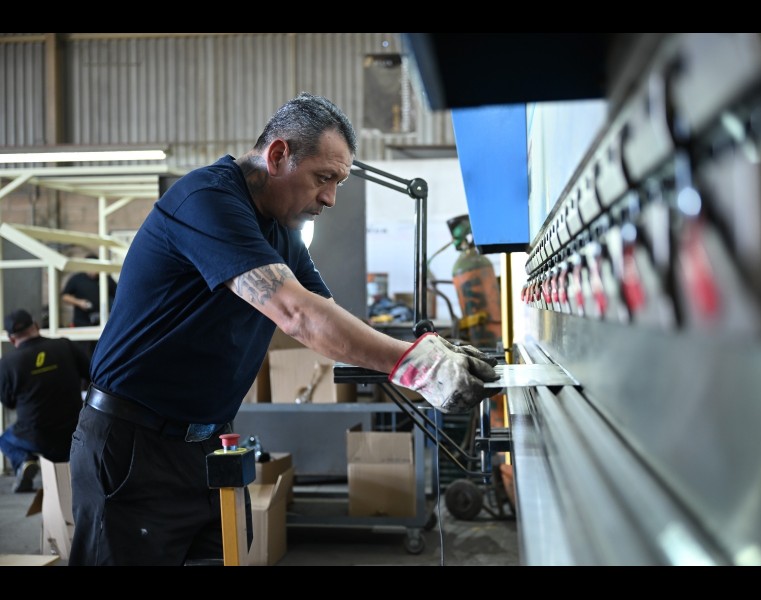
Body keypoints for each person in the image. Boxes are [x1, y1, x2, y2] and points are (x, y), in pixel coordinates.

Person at [69, 92, 500, 566]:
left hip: (207, 447)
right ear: (277, 156)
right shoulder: (207, 200)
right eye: (324, 178)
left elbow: (326, 314)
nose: (330, 198)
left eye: (338, 183)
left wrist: (430, 350)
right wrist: (418, 366)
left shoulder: (281, 233)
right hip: (134, 447)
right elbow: (297, 316)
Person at [0, 309, 90, 493]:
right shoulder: (65, 345)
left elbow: (8, 403)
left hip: (36, 436)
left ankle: (24, 461)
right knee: (68, 447)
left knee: (4, 440)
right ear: (36, 326)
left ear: (11, 339)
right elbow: (92, 374)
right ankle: (75, 466)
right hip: (74, 431)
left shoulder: (7, 363)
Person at [61, 254, 118, 361]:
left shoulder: (105, 278)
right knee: (83, 353)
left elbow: (118, 294)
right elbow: (65, 296)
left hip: (101, 323)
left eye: (95, 268)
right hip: (81, 323)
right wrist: (79, 302)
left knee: (100, 352)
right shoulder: (77, 279)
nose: (93, 272)